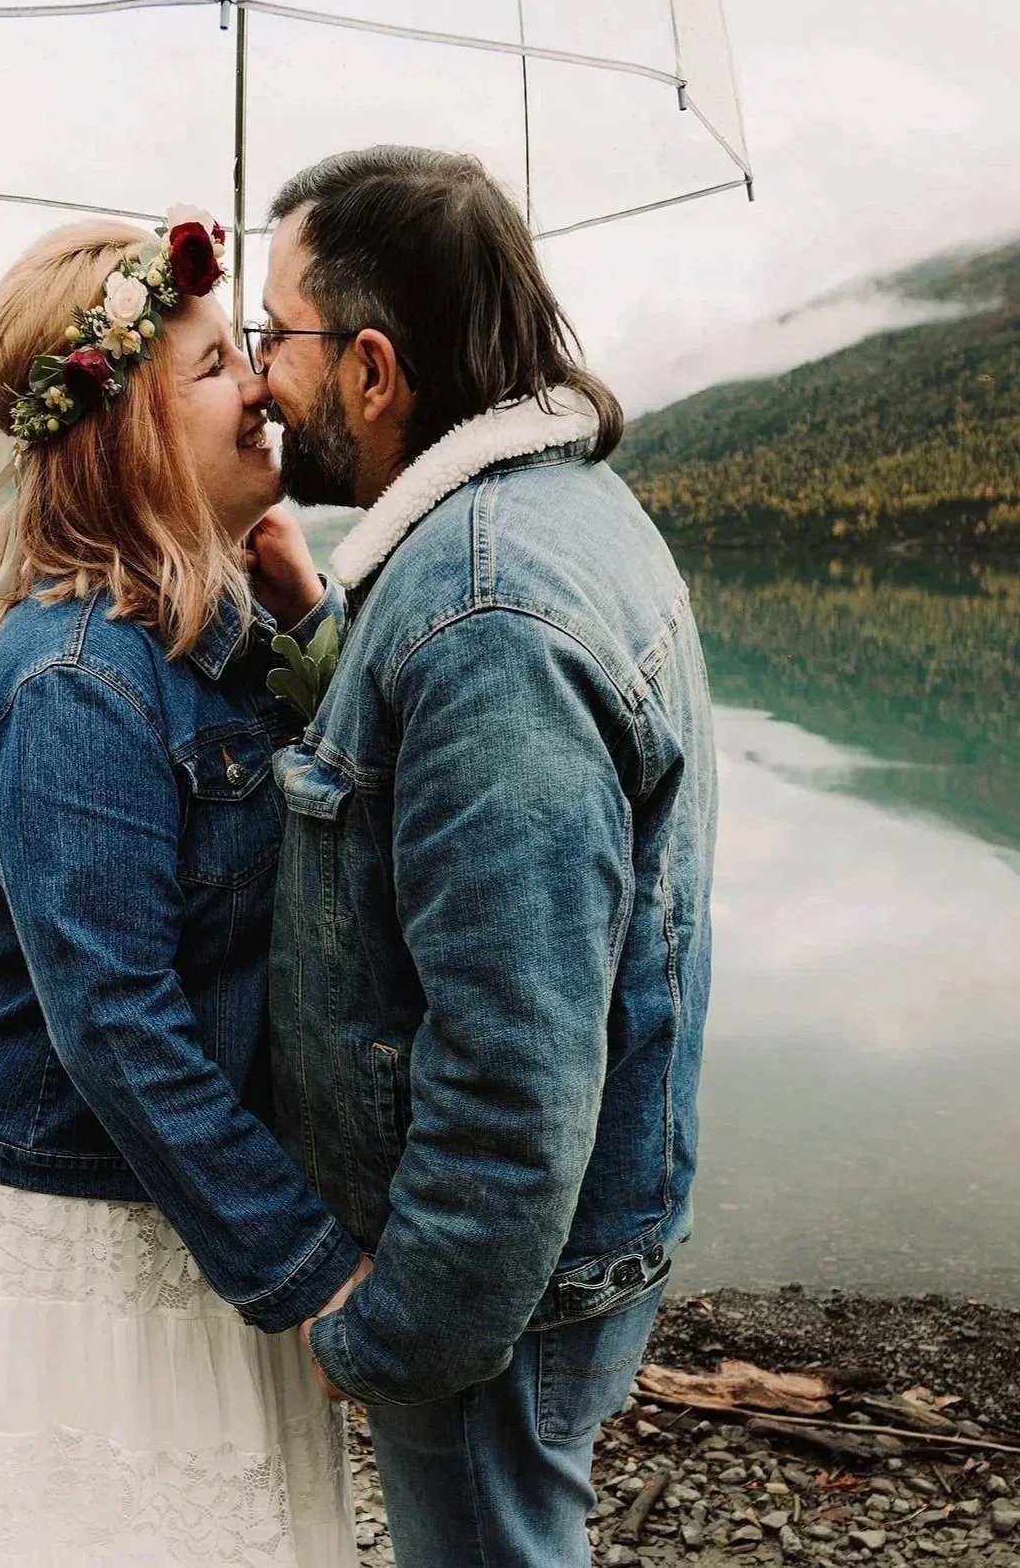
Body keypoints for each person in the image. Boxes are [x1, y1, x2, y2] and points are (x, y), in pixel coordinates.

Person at [252, 146, 719, 1568]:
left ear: (375, 371)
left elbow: (513, 1068)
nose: (260, 372)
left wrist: (396, 1332)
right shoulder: (526, 529)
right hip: (532, 1258)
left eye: (275, 335)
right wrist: (319, 631)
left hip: (488, 1287)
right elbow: (437, 811)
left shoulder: (483, 616)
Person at [0, 210, 365, 1568]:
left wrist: (310, 620)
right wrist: (308, 1274)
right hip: (88, 1209)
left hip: (191, 1188)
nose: (265, 388)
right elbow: (113, 1023)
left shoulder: (220, 635)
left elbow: (358, 827)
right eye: (219, 365)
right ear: (128, 432)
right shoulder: (72, 683)